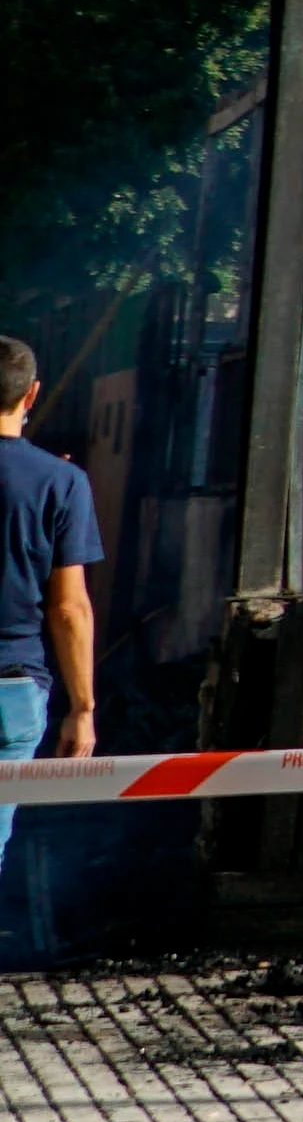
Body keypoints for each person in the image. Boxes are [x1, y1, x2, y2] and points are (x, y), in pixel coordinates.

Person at [0, 338, 99, 949]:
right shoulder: (62, 482)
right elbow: (68, 609)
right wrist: (83, 707)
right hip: (12, 687)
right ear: (31, 394)